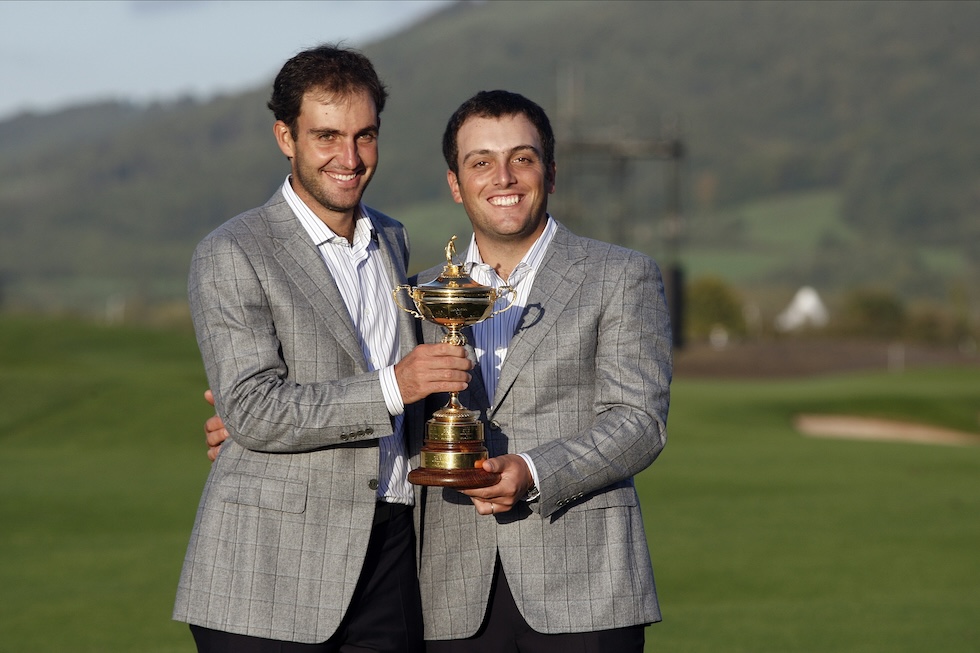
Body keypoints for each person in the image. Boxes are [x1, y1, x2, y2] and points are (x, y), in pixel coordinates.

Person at [207, 89, 672, 652]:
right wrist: (250, 424)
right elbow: (390, 394)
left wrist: (533, 469)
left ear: (550, 173)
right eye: (481, 163)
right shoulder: (422, 292)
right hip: (450, 592)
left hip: (585, 584)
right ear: (455, 183)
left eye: (521, 158)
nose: (503, 177)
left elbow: (639, 422)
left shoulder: (622, 274)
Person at [173, 44, 472, 653]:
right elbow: (255, 409)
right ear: (285, 136)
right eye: (327, 136)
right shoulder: (232, 252)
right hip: (267, 575)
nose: (350, 157)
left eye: (365, 136)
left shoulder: (391, 236)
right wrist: (396, 385)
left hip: (391, 552)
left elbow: (273, 404)